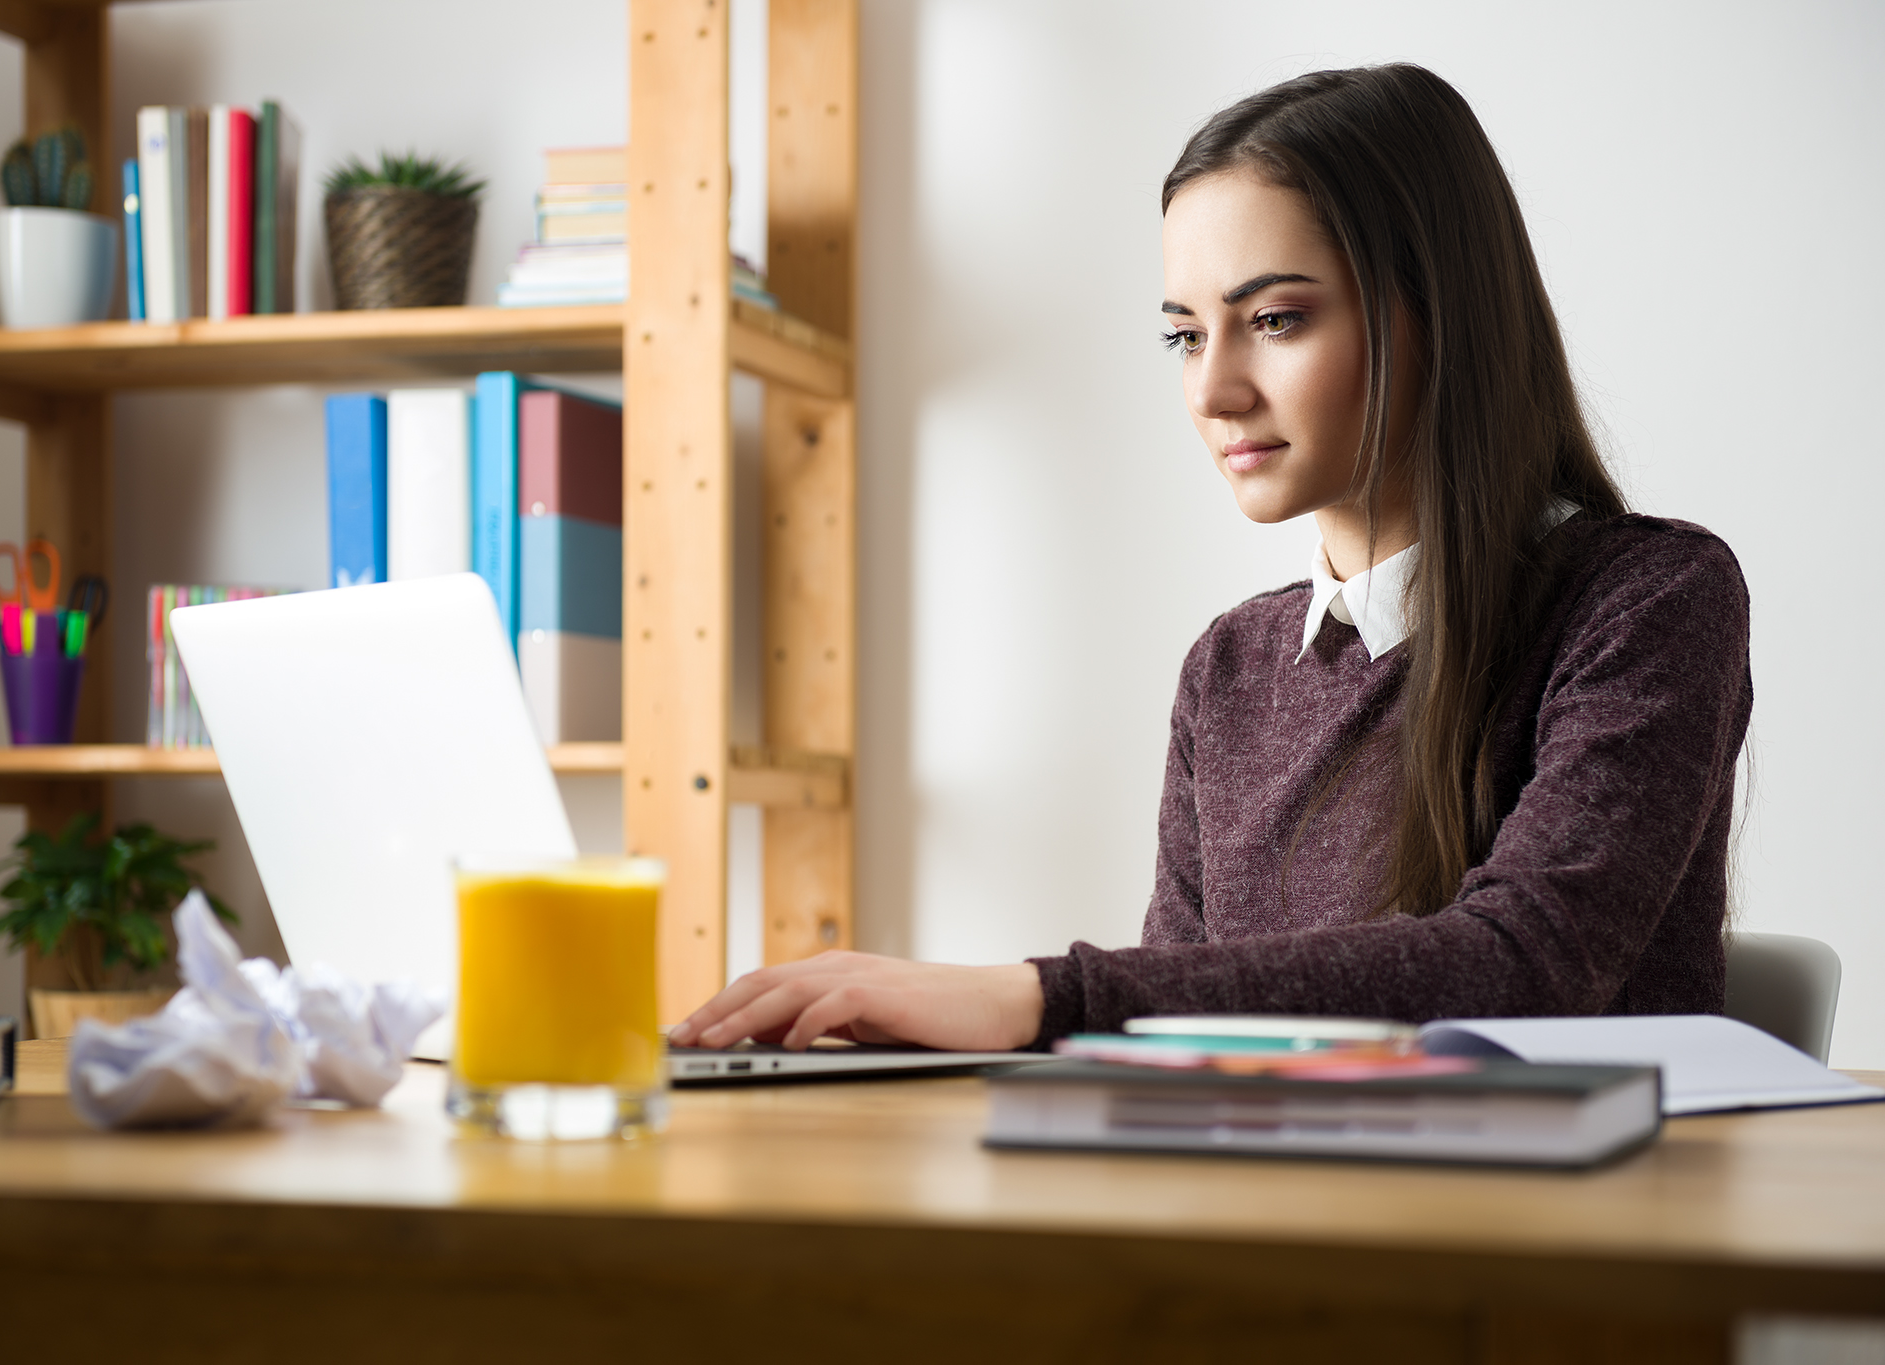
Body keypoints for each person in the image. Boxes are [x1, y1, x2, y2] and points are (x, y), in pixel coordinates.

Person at [669, 63, 1752, 1055]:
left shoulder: (1647, 600)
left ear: (1441, 316)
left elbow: (1524, 968)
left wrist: (1039, 999)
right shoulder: (1228, 668)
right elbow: (1180, 1020)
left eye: (1273, 320)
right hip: (1267, 1229)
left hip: (1556, 1245)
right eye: (1184, 335)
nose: (1211, 389)